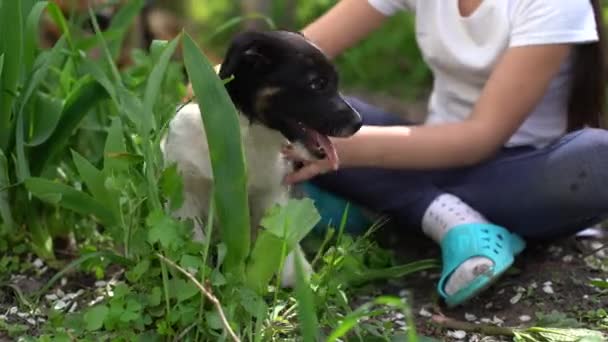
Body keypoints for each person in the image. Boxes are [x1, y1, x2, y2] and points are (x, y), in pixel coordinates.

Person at [281, 0, 608, 307]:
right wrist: (231, 91)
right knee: (305, 114)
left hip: (520, 176)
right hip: (426, 154)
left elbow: (480, 138)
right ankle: (452, 221)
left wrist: (342, 149)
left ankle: (391, 204)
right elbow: (290, 57)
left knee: (598, 157)